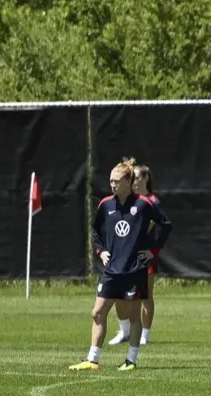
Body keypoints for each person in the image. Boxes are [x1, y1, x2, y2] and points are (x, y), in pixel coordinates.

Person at [69, 157, 173, 372]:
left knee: (134, 316)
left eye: (117, 181)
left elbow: (166, 224)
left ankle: (131, 360)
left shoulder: (143, 205)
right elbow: (96, 230)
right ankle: (92, 359)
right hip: (112, 269)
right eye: (111, 181)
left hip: (134, 269)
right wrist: (101, 250)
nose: (113, 185)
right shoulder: (105, 204)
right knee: (97, 312)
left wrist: (152, 251)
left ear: (128, 181)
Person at [108, 163, 164, 347]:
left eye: (137, 178)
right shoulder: (129, 201)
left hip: (143, 257)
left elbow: (154, 227)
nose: (134, 182)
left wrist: (152, 250)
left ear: (146, 179)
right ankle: (124, 331)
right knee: (118, 294)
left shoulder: (152, 202)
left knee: (145, 297)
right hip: (124, 257)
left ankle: (144, 335)